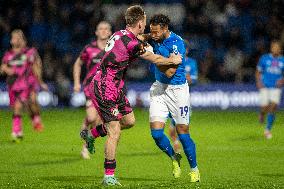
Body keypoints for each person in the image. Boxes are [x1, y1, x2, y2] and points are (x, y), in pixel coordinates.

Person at [80, 5, 182, 186]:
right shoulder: (132, 43)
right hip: (104, 86)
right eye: (145, 21)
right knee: (115, 132)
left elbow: (140, 37)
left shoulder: (121, 34)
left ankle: (92, 134)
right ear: (141, 22)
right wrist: (173, 60)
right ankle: (108, 176)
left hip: (113, 86)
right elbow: (156, 59)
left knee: (129, 121)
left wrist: (153, 36)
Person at [146, 14, 200, 182]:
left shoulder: (176, 44)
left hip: (177, 91)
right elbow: (141, 37)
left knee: (182, 134)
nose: (153, 35)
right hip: (159, 89)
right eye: (151, 31)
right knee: (156, 133)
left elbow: (170, 72)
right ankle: (174, 158)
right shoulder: (155, 35)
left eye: (156, 32)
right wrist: (162, 58)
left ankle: (194, 169)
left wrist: (152, 56)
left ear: (165, 29)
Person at [73, 21, 112, 159]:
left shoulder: (112, 49)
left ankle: (85, 146)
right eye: (100, 28)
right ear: (96, 32)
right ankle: (86, 122)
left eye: (105, 29)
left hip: (106, 89)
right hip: (90, 87)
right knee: (91, 117)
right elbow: (78, 63)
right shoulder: (89, 48)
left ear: (109, 32)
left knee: (98, 122)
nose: (103, 31)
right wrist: (77, 82)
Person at [1, 29, 47, 142]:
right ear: (11, 41)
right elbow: (2, 68)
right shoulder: (8, 55)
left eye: (18, 37)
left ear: (22, 39)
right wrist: (6, 69)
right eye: (13, 37)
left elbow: (37, 66)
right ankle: (26, 125)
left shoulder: (29, 52)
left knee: (32, 101)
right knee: (19, 106)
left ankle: (20, 129)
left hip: (28, 82)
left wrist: (40, 81)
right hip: (13, 84)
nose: (15, 40)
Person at [168, 39, 198, 154]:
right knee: (172, 125)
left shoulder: (192, 63)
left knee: (183, 123)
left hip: (185, 96)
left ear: (187, 50)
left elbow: (193, 79)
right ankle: (176, 144)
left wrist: (181, 77)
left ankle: (183, 144)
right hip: (173, 95)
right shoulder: (172, 61)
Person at [256, 40, 284, 139]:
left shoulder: (283, 60)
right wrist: (259, 82)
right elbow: (258, 71)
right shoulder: (264, 58)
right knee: (264, 107)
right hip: (265, 85)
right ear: (271, 48)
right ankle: (262, 114)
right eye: (274, 47)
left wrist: (282, 80)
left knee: (273, 107)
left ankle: (267, 130)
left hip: (276, 88)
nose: (275, 49)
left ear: (280, 49)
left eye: (277, 47)